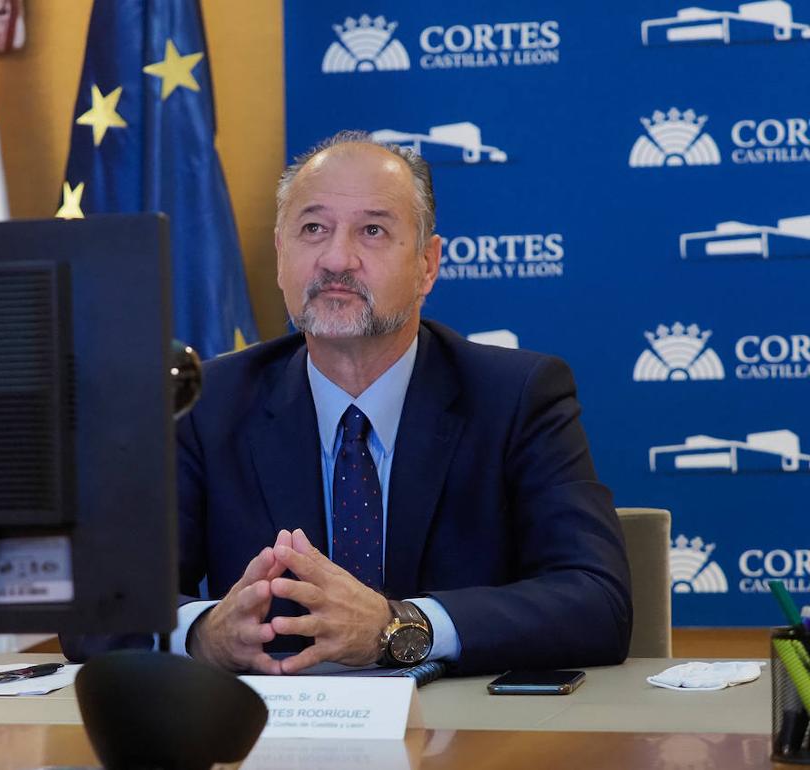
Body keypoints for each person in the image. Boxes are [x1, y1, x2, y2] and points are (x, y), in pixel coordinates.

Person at [66, 130, 632, 675]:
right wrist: (201, 632)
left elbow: (596, 599)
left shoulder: (516, 396)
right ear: (281, 254)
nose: (337, 259)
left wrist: (402, 626)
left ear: (427, 265)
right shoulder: (208, 403)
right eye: (313, 228)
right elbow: (96, 605)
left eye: (373, 232)